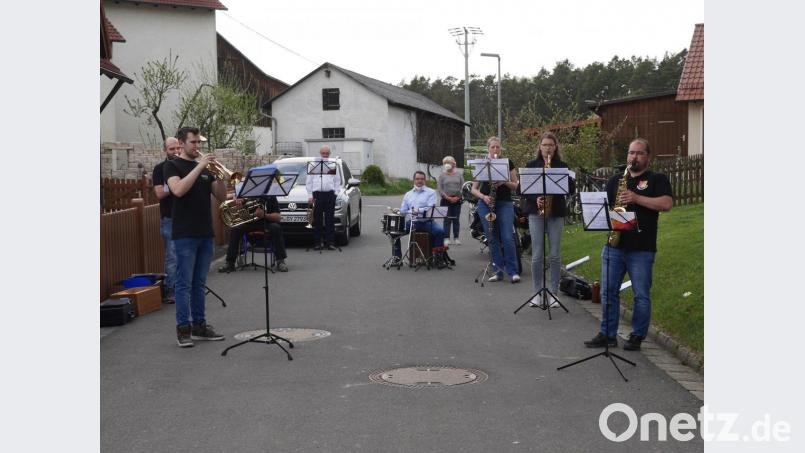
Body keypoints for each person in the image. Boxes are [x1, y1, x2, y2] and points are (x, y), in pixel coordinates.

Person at [584, 138, 673, 351]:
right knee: (608, 291)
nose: (634, 157)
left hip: (641, 247)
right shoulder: (616, 179)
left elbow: (667, 204)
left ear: (648, 157)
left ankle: (637, 336)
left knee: (641, 294)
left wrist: (636, 198)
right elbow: (604, 207)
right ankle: (607, 334)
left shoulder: (656, 179)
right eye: (631, 153)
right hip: (614, 244)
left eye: (639, 153)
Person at [165, 126, 228, 348]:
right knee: (183, 284)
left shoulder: (205, 169)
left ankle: (200, 326)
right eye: (193, 142)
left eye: (199, 143)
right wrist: (200, 166)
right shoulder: (171, 165)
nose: (198, 147)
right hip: (184, 233)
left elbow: (220, 196)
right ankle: (184, 330)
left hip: (205, 232)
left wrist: (220, 177)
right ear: (181, 143)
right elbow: (179, 190)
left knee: (199, 283)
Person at [525, 133, 574, 307]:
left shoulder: (563, 166)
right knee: (537, 254)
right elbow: (522, 190)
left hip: (556, 213)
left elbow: (570, 189)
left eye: (551, 145)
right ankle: (537, 292)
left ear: (555, 147)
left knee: (554, 255)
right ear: (540, 147)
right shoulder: (531, 166)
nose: (547, 148)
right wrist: (535, 199)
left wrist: (566, 177)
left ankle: (553, 292)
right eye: (544, 145)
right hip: (536, 213)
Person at [470, 136, 521, 283]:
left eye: (498, 147)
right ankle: (498, 272)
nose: (495, 150)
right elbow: (474, 189)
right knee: (492, 238)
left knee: (507, 237)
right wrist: (484, 197)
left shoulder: (507, 163)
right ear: (488, 149)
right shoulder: (482, 163)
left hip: (504, 203)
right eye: (493, 147)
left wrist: (504, 181)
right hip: (486, 204)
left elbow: (516, 185)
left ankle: (513, 271)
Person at [218, 185, 289, 273]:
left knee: (276, 228)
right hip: (247, 223)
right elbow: (232, 201)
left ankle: (280, 261)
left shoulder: (270, 196)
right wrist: (237, 200)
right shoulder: (245, 193)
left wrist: (264, 215)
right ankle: (230, 263)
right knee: (235, 229)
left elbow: (278, 217)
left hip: (265, 222)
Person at [391, 171, 448, 267]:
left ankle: (438, 259)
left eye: (422, 179)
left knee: (440, 231)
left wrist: (419, 210)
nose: (420, 181)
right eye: (417, 179)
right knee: (394, 234)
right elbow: (404, 210)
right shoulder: (408, 194)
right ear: (414, 180)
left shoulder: (431, 192)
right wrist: (398, 211)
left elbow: (431, 207)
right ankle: (397, 259)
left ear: (424, 180)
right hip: (412, 223)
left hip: (427, 222)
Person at [152, 137, 181, 304]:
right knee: (172, 257)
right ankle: (171, 291)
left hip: (186, 218)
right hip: (169, 218)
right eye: (172, 149)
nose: (176, 151)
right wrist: (178, 184)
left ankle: (184, 288)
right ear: (165, 151)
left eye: (178, 148)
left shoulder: (185, 166)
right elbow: (159, 194)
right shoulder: (160, 169)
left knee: (186, 255)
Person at [306, 145, 341, 250]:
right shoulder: (313, 165)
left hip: (329, 194)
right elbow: (309, 181)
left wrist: (335, 193)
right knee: (318, 219)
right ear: (320, 153)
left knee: (330, 219)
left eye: (327, 153)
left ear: (329, 154)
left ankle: (330, 242)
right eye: (323, 153)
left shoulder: (332, 165)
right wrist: (310, 195)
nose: (325, 155)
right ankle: (318, 242)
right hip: (317, 194)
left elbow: (337, 180)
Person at [437, 156, 464, 245]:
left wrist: (458, 197)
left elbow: (462, 187)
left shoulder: (459, 174)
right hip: (446, 200)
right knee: (447, 220)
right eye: (445, 163)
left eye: (449, 162)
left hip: (457, 200)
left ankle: (456, 238)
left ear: (453, 163)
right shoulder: (442, 175)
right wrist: (447, 197)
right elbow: (440, 189)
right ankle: (446, 238)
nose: (447, 164)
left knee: (456, 219)